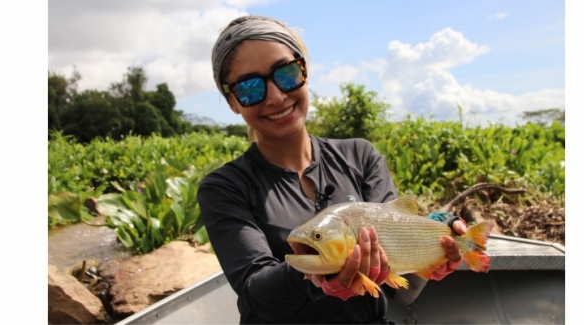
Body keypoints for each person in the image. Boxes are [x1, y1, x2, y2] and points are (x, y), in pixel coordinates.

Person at [198, 15, 466, 324]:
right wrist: (318, 274)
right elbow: (256, 294)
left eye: (286, 74)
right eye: (250, 88)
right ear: (233, 101)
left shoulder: (360, 155)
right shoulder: (225, 188)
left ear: (304, 72)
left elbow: (398, 291)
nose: (275, 96)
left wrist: (436, 240)